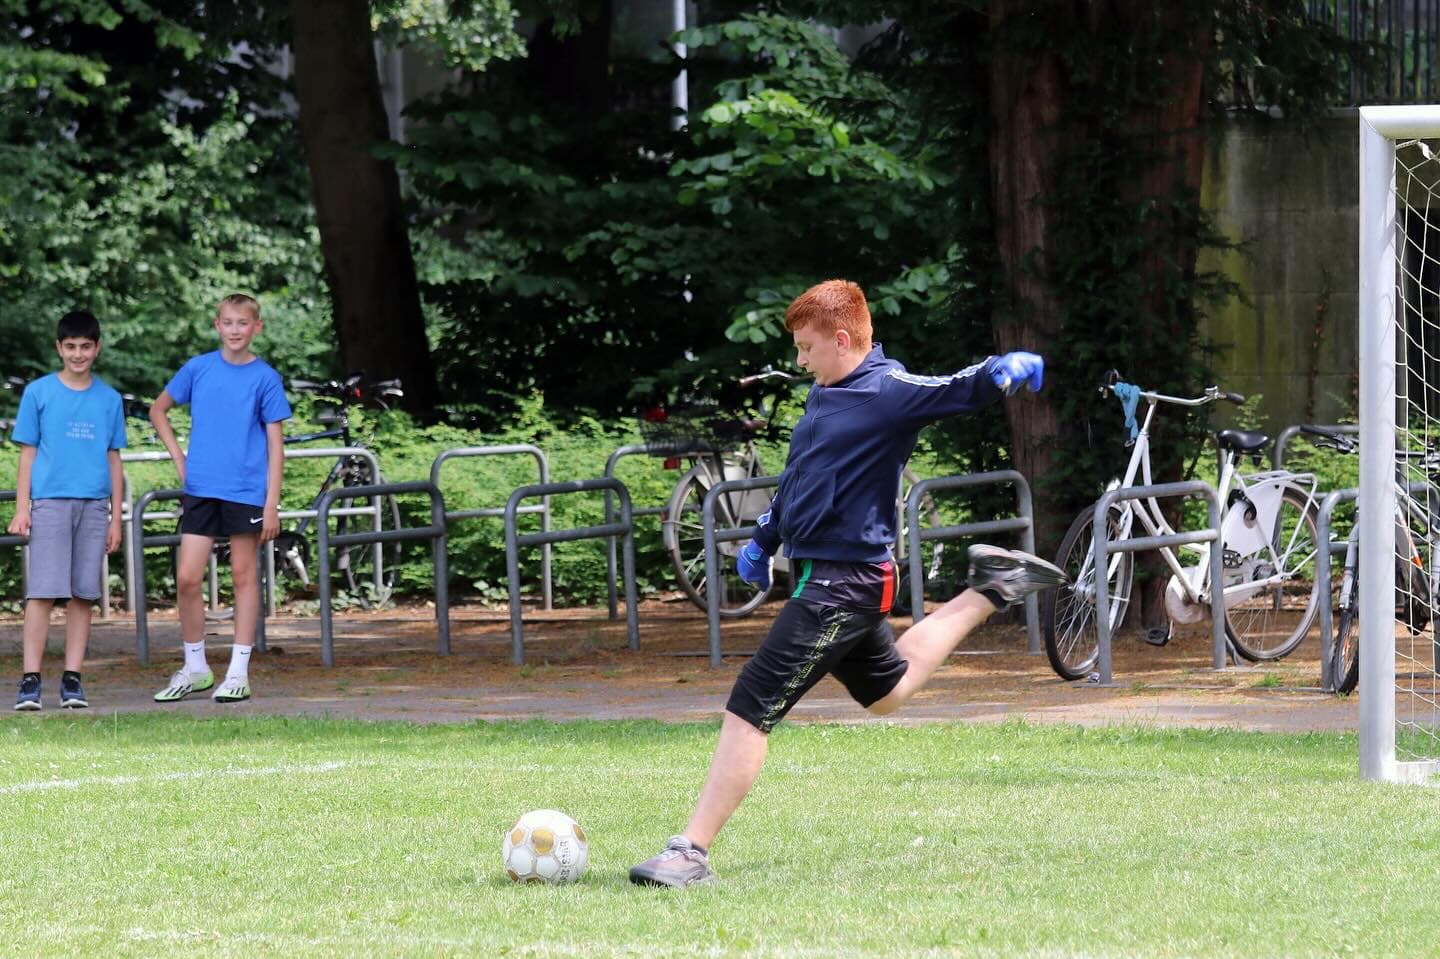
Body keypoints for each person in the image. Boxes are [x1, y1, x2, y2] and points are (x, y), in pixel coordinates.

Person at [628, 279, 1066, 888]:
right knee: (888, 692)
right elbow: (801, 474)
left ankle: (690, 852)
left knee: (751, 704)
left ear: (841, 339)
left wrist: (1000, 370)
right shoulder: (822, 397)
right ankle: (993, 588)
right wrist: (765, 538)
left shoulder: (887, 390)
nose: (801, 362)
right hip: (823, 574)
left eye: (807, 348)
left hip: (846, 581)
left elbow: (950, 388)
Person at [149, 293, 291, 704]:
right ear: (217, 325)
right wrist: (180, 460)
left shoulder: (265, 378)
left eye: (242, 323)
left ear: (256, 327)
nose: (234, 330)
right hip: (201, 490)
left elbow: (276, 445)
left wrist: (270, 503)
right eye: (227, 322)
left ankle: (238, 673)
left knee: (244, 578)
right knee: (187, 577)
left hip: (246, 492)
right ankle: (195, 668)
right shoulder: (198, 368)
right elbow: (159, 410)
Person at [8, 311, 127, 711]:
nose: (78, 354)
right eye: (71, 346)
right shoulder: (39, 394)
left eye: (86, 347)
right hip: (50, 503)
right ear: (59, 348)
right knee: (42, 592)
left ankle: (72, 679)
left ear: (97, 348)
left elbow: (114, 460)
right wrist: (22, 508)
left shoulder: (109, 400)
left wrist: (116, 517)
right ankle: (30, 680)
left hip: (94, 506)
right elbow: (26, 455)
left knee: (83, 594)